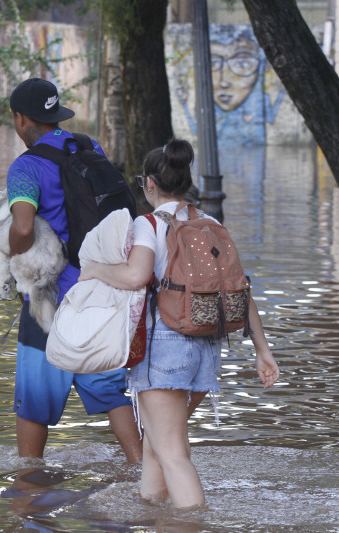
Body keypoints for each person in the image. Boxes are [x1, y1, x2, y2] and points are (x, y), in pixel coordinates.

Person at [79, 138, 280, 508]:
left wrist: (93, 270)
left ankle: (191, 522)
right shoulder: (210, 222)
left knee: (173, 454)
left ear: (150, 184)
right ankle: (151, 514)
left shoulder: (149, 224)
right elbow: (239, 289)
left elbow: (137, 276)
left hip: (165, 349)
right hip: (206, 346)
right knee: (156, 445)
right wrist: (262, 351)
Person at [6, 77, 142, 463]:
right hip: (98, 292)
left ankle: (30, 484)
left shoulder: (26, 167)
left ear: (20, 119)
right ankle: (144, 468)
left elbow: (22, 228)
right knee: (110, 390)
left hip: (49, 300)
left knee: (34, 401)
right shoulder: (88, 146)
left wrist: (13, 255)